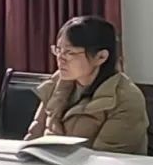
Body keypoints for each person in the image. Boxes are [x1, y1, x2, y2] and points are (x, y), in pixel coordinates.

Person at [26, 15, 149, 154]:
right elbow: (33, 137)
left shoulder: (126, 99)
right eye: (58, 50)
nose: (60, 58)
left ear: (101, 57)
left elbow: (108, 159)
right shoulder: (56, 82)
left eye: (70, 52)